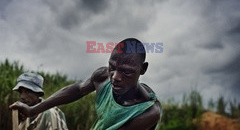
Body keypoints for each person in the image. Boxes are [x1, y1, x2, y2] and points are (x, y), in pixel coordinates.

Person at [10, 38, 161, 130]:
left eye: (126, 72)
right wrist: (33, 110)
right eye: (112, 67)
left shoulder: (148, 112)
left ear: (143, 69)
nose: (115, 77)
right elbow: (78, 89)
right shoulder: (103, 77)